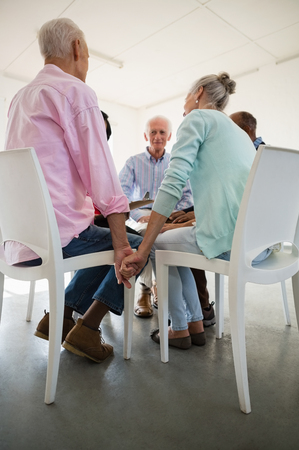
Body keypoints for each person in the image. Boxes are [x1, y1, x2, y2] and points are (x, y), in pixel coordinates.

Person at [4, 18, 143, 363]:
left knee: (101, 236)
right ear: (78, 48)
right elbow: (101, 174)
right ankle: (88, 330)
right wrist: (123, 242)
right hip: (56, 241)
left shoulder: (19, 98)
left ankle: (59, 317)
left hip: (17, 243)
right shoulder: (75, 91)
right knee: (136, 246)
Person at [120, 72, 272, 350]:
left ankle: (180, 328)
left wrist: (143, 249)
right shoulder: (237, 132)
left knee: (157, 247)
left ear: (198, 92)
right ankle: (195, 324)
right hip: (261, 243)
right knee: (171, 247)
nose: (184, 104)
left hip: (232, 242)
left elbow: (173, 184)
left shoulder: (197, 119)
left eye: (186, 96)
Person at [119, 116, 213, 323]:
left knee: (166, 238)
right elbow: (122, 195)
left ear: (169, 136)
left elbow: (188, 195)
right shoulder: (133, 162)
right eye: (153, 132)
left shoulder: (176, 162)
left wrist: (167, 216)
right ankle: (147, 289)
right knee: (146, 237)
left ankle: (161, 291)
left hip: (169, 217)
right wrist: (140, 216)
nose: (157, 136)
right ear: (146, 135)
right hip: (140, 217)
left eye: (162, 132)